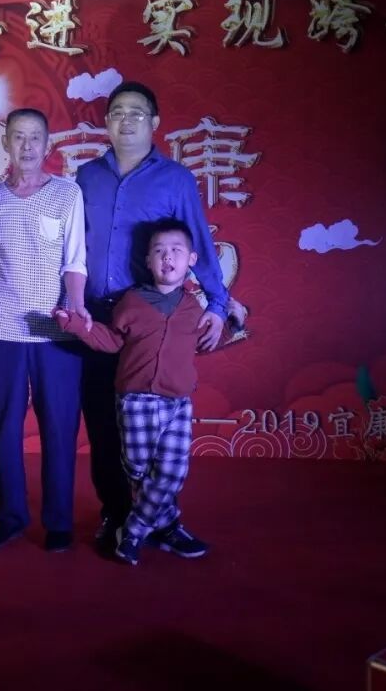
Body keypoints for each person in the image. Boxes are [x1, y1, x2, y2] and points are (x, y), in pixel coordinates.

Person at [75, 81, 230, 547]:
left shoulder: (176, 179)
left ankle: (162, 520)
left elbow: (197, 242)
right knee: (104, 424)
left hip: (147, 319)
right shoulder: (85, 177)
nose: (127, 121)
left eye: (137, 113)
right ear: (106, 122)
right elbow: (67, 246)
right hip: (95, 318)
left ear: (155, 123)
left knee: (157, 434)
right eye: (118, 112)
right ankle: (115, 514)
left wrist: (218, 303)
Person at [56, 218, 233, 565]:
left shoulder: (193, 308)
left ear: (191, 260)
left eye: (176, 250)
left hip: (177, 404)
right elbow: (111, 341)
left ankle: (133, 532)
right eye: (159, 251)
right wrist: (76, 325)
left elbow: (205, 342)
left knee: (171, 473)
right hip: (135, 401)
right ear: (148, 261)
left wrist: (233, 320)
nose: (168, 257)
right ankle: (167, 525)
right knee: (138, 471)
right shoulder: (132, 302)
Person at [0, 108, 87, 553]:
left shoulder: (67, 194)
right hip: (1, 330)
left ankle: (59, 523)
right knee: (3, 427)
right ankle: (10, 518)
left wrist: (77, 309)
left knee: (60, 427)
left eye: (35, 137)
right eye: (18, 137)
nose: (27, 146)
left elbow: (75, 260)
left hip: (55, 333)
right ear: (6, 144)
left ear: (47, 144)